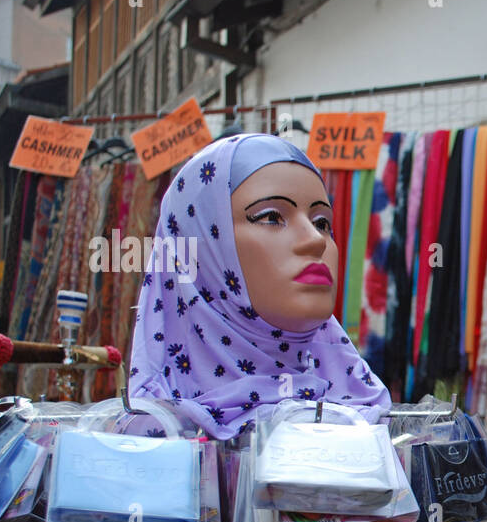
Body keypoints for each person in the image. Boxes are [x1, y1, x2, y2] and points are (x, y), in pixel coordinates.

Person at [128, 133, 392, 439]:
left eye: (321, 222)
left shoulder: (364, 405)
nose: (315, 240)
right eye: (271, 217)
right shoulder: (153, 434)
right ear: (203, 248)